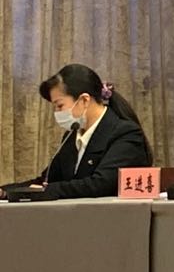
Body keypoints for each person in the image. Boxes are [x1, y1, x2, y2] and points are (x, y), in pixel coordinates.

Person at [2, 64, 152, 199]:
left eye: (60, 105)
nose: (57, 112)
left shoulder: (125, 133)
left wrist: (48, 190)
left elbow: (101, 184)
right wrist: (5, 191)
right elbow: (47, 181)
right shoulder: (71, 136)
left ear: (84, 100)